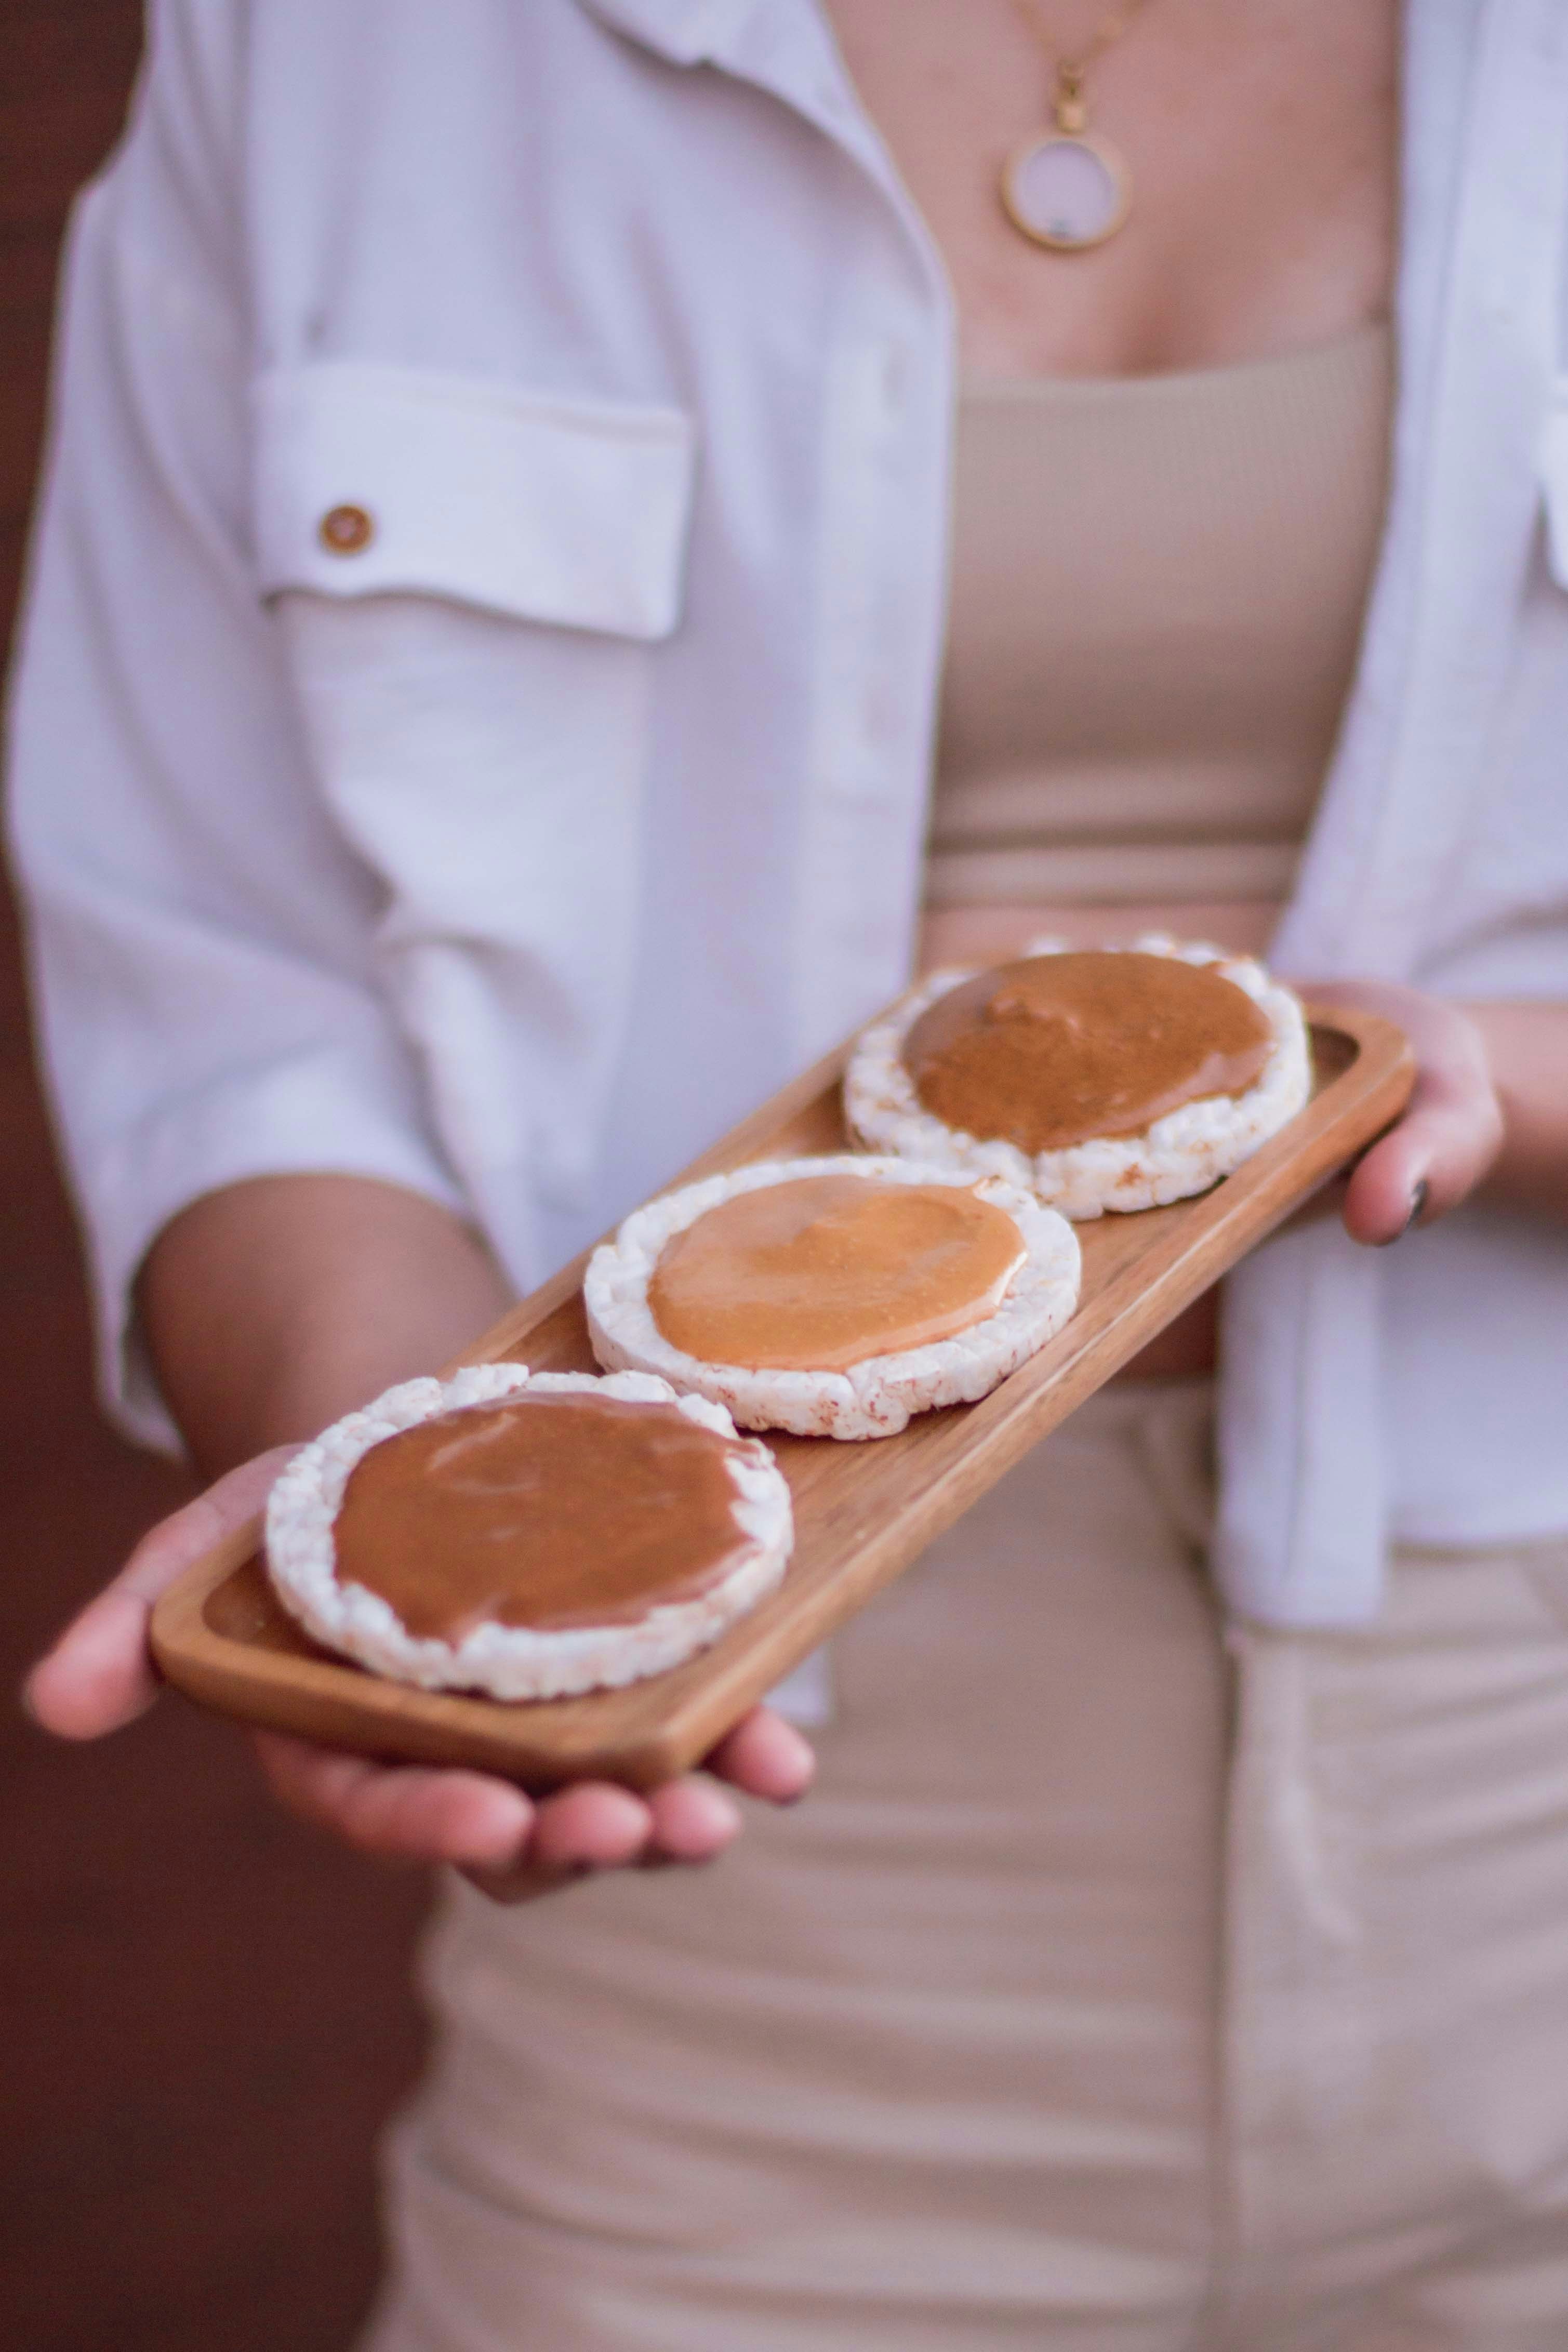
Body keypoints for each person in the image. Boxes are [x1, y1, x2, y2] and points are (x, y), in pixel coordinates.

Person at [12, 1, 1568, 2343]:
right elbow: (226, 979)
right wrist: (430, 1488)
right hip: (743, 1853)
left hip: (1521, 1756)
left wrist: (1485, 1078)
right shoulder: (337, 49)